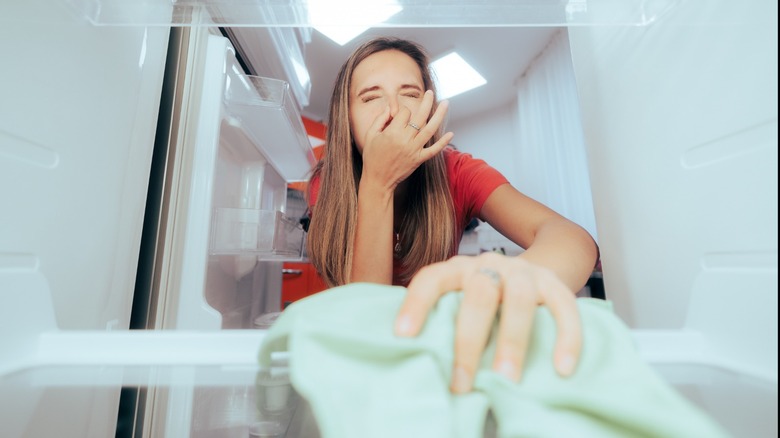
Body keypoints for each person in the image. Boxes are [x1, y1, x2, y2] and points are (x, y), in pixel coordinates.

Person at [305, 36, 599, 394]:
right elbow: (369, 315)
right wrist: (377, 183)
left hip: (445, 356)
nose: (393, 111)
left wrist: (507, 277)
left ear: (429, 110)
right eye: (370, 97)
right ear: (346, 118)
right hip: (366, 365)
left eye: (411, 94)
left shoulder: (456, 172)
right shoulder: (327, 184)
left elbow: (572, 239)